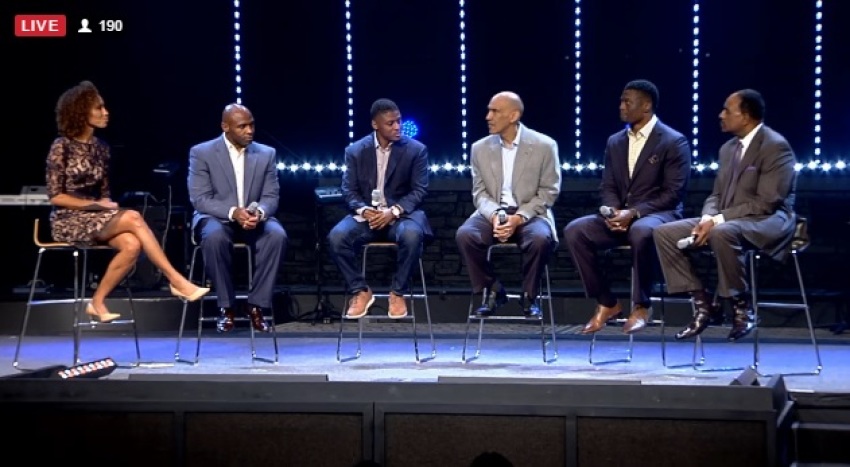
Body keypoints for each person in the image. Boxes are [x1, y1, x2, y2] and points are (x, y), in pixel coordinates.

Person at [45, 80, 209, 323]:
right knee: (133, 217)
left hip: (95, 217)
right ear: (81, 112)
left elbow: (104, 193)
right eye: (99, 108)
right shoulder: (62, 146)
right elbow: (56, 196)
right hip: (67, 220)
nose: (105, 112)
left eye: (104, 107)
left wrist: (103, 205)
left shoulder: (102, 148)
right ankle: (176, 281)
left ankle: (97, 302)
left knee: (132, 244)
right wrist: (96, 207)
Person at [653, 89, 797, 341]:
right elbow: (716, 196)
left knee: (722, 232)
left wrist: (716, 221)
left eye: (727, 110)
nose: (720, 115)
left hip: (767, 220)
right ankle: (703, 303)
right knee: (664, 232)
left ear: (746, 115)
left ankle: (742, 307)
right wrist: (708, 217)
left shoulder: (775, 146)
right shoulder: (728, 149)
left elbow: (767, 202)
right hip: (729, 219)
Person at [563, 80, 691, 334]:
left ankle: (642, 305)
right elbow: (608, 185)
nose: (621, 106)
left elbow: (673, 193)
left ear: (646, 106)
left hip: (658, 215)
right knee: (575, 231)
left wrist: (633, 213)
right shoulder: (615, 141)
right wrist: (612, 211)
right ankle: (606, 302)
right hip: (621, 215)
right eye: (621, 101)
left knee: (641, 231)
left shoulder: (673, 141)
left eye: (627, 101)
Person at [455, 91, 561, 317]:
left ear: (513, 116)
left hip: (530, 214)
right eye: (488, 110)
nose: (487, 116)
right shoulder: (479, 148)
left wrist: (518, 218)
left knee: (541, 239)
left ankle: (529, 296)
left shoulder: (545, 145)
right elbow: (480, 192)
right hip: (492, 212)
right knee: (466, 235)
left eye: (495, 111)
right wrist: (495, 216)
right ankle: (493, 290)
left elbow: (548, 192)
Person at [327, 98, 432, 320]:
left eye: (399, 121)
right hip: (368, 217)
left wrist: (392, 212)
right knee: (337, 237)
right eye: (390, 123)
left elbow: (419, 191)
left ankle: (397, 292)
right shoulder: (355, 151)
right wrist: (364, 211)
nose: (397, 127)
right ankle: (361, 290)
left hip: (400, 217)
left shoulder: (416, 150)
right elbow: (349, 191)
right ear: (376, 125)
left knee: (413, 235)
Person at [187, 103, 288, 333]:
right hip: (217, 217)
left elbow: (271, 196)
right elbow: (200, 199)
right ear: (225, 127)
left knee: (277, 235)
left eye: (251, 124)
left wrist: (259, 213)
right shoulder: (201, 153)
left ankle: (256, 305)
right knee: (213, 237)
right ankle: (227, 306)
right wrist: (234, 212)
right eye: (242, 126)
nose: (249, 130)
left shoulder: (266, 154)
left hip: (253, 219)